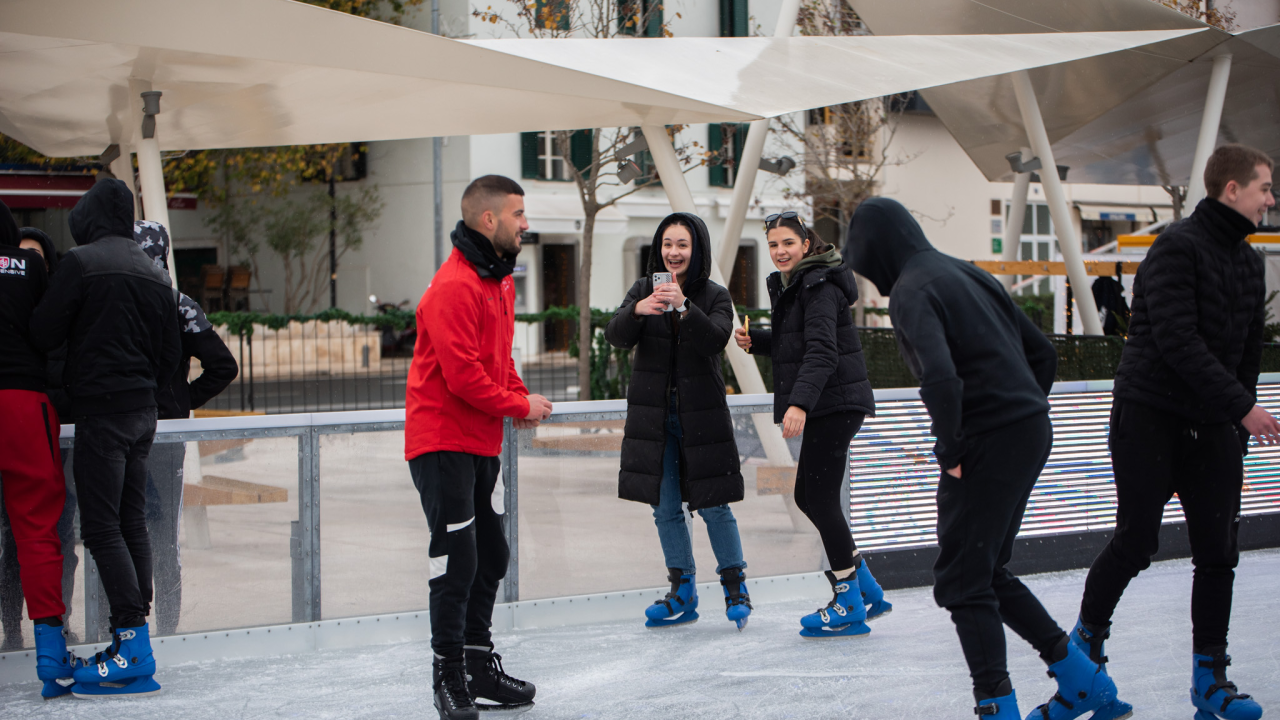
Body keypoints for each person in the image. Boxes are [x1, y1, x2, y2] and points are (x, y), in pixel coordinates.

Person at [845, 197, 1125, 720]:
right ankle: (1085, 684)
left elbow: (941, 376)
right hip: (1027, 430)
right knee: (986, 568)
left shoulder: (911, 289)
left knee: (962, 580)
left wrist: (953, 448)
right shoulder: (966, 273)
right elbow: (1042, 353)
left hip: (987, 440)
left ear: (875, 250)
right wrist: (1020, 408)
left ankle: (997, 705)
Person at [1074, 145, 1279, 720]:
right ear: (1231, 189)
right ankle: (1085, 649)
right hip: (1150, 414)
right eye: (1265, 188)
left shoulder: (1248, 262)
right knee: (1137, 541)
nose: (1270, 199)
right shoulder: (1175, 248)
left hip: (1213, 424)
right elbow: (1176, 339)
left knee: (1219, 553)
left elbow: (1246, 351)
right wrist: (1243, 408)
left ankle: (1209, 680)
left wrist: (1235, 425)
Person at [404, 175, 550, 720]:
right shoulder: (453, 287)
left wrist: (517, 396)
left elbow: (497, 360)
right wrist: (519, 407)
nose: (525, 223)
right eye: (517, 213)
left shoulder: (498, 281)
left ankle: (477, 662)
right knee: (457, 560)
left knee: (493, 555)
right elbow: (463, 377)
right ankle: (448, 679)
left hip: (479, 443)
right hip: (440, 441)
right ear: (488, 220)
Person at [30, 179, 181, 699]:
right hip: (144, 413)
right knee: (129, 521)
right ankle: (131, 637)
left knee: (99, 528)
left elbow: (44, 330)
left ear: (88, 216)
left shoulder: (81, 262)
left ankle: (131, 642)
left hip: (103, 411)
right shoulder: (155, 272)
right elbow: (170, 355)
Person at [733, 211, 890, 639]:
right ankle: (867, 589)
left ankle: (849, 600)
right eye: (773, 245)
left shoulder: (818, 285)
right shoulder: (799, 284)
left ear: (805, 243)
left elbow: (822, 352)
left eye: (788, 243)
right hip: (829, 402)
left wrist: (799, 404)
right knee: (809, 496)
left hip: (832, 404)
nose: (780, 251)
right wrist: (757, 342)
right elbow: (797, 344)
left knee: (818, 501)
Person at [605, 212, 752, 631]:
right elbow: (615, 335)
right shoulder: (641, 289)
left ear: (697, 249)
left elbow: (715, 341)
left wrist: (684, 306)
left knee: (713, 504)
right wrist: (638, 310)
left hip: (700, 417)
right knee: (665, 508)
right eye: (667, 244)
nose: (674, 252)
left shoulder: (715, 295)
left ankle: (735, 586)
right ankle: (682, 590)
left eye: (682, 244)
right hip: (653, 418)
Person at [133, 220, 238, 637]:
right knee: (162, 535)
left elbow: (224, 367)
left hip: (128, 431)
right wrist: (180, 401)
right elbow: (223, 366)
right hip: (165, 433)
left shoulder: (116, 301)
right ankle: (167, 628)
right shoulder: (180, 304)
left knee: (121, 532)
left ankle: (123, 626)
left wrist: (181, 401)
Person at [0, 199, 77, 699]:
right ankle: (50, 652)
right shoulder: (29, 264)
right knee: (36, 529)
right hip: (23, 402)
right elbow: (51, 328)